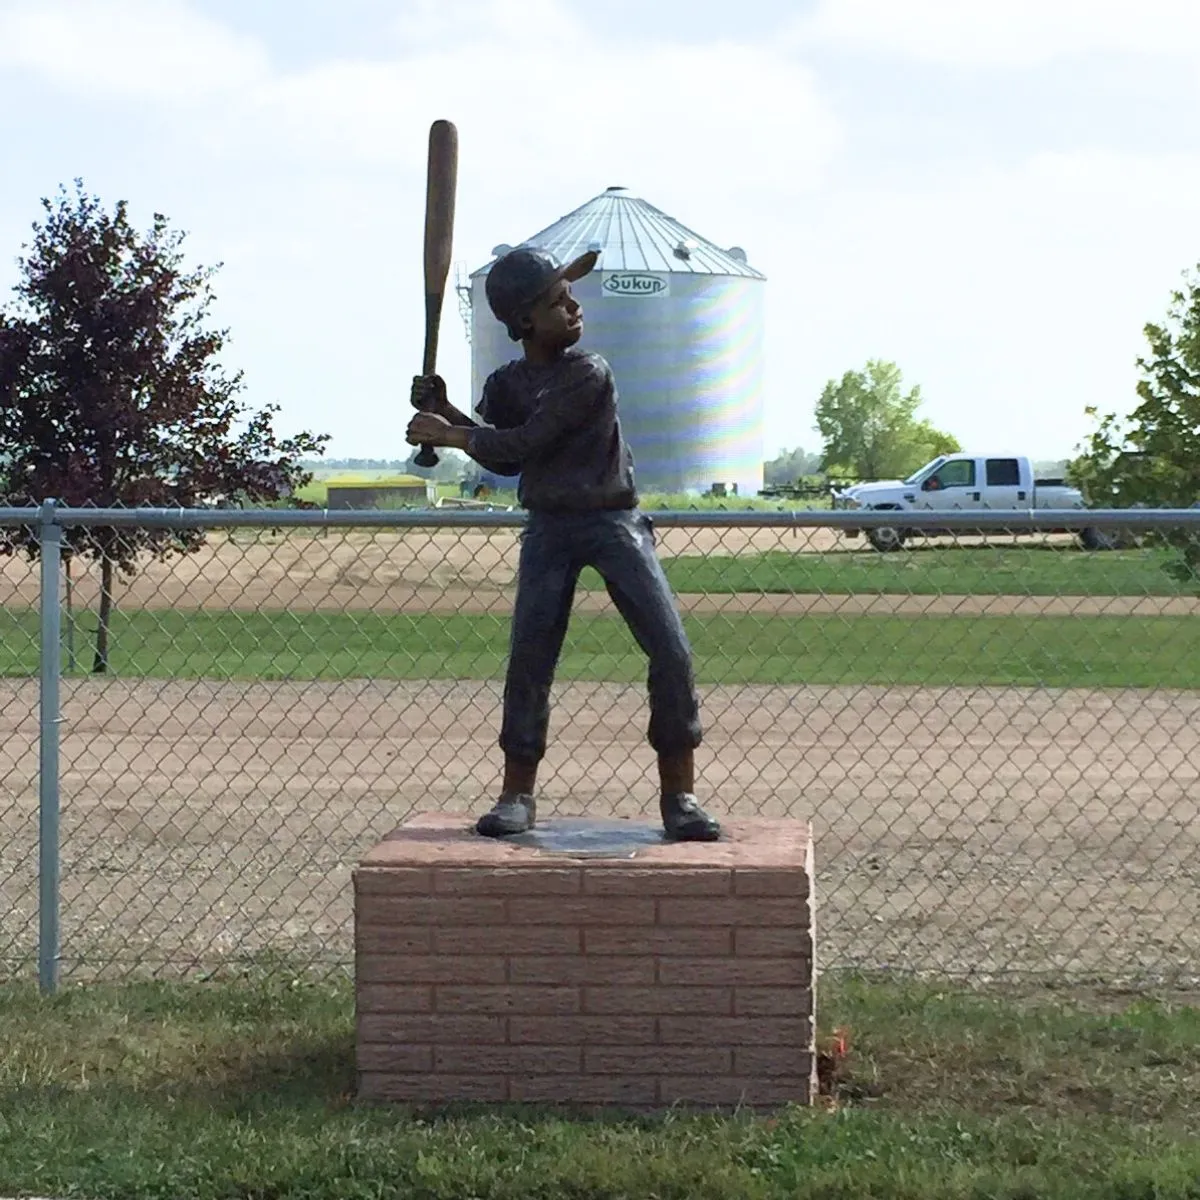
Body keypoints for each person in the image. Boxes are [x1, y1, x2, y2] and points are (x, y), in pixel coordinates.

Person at [406, 246, 720, 842]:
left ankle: (680, 794)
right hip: (550, 527)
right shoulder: (509, 382)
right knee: (531, 661)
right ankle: (516, 795)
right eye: (557, 300)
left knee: (671, 652)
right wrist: (440, 405)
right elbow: (496, 435)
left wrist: (447, 433)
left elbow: (523, 444)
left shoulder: (588, 372)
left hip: (612, 522)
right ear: (524, 322)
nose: (574, 306)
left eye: (569, 295)